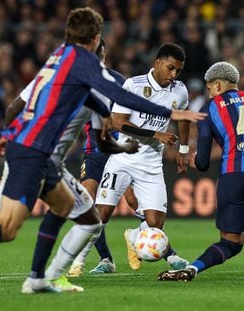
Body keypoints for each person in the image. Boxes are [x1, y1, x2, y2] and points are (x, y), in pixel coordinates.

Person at [0, 7, 205, 294]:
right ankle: (39, 276)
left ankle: (40, 277)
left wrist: (114, 141)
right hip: (33, 153)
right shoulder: (82, 59)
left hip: (41, 154)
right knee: (5, 227)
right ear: (94, 38)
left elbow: (79, 101)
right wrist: (172, 115)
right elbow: (120, 95)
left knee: (84, 216)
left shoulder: (59, 57)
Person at [157, 61, 244, 282]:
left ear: (218, 85)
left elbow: (202, 162)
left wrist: (194, 160)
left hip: (233, 176)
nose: (209, 92)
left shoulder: (209, 108)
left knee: (230, 241)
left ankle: (192, 269)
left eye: (209, 87)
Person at [95, 42, 191, 272]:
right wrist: (155, 134)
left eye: (178, 70)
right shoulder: (133, 85)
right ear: (157, 63)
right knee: (101, 215)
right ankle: (91, 261)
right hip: (123, 157)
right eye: (170, 68)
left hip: (151, 164)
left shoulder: (179, 90)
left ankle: (134, 236)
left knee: (156, 224)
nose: (173, 74)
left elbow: (183, 118)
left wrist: (184, 150)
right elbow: (120, 123)